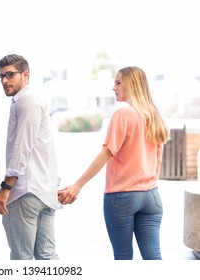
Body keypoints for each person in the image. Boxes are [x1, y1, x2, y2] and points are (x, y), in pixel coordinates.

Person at [58, 66, 170, 260]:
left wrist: (78, 185)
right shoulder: (154, 115)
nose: (113, 87)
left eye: (118, 82)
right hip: (152, 197)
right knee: (154, 259)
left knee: (123, 258)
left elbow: (106, 153)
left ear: (131, 85)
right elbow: (158, 160)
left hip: (122, 197)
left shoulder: (123, 115)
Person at [0, 54, 61, 260]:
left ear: (25, 74)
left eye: (10, 75)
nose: (4, 80)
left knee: (22, 258)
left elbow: (22, 147)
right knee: (47, 257)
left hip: (26, 193)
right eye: (1, 76)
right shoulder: (32, 99)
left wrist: (5, 188)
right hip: (43, 192)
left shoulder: (27, 100)